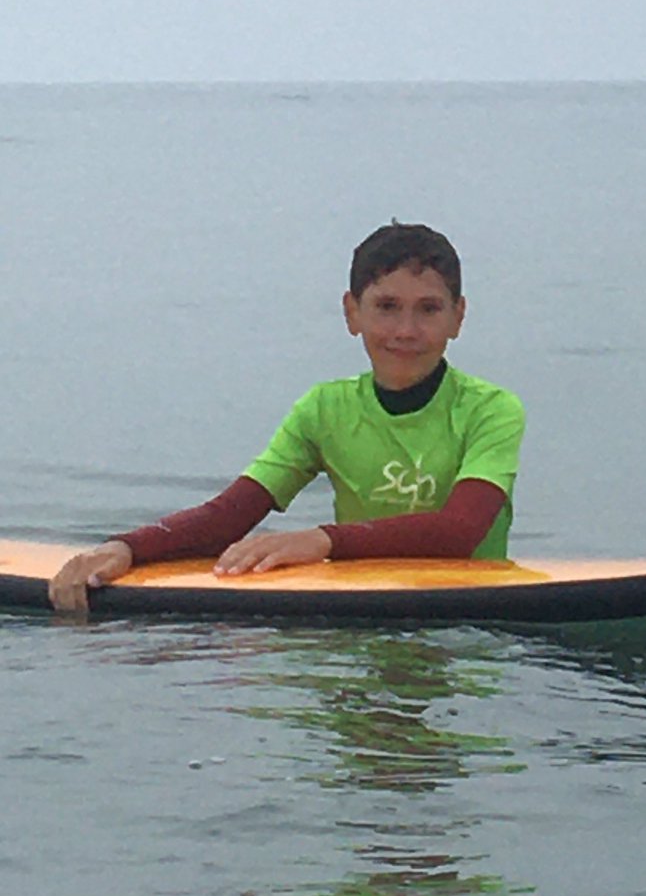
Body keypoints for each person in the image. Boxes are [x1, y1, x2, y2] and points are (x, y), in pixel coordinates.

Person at [49, 221, 526, 612]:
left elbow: (461, 531)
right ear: (351, 312)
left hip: (467, 626)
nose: (405, 329)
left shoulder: (490, 409)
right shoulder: (325, 409)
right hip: (362, 621)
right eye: (386, 307)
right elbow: (230, 515)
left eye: (428, 309)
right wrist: (126, 548)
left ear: (458, 317)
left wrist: (321, 540)